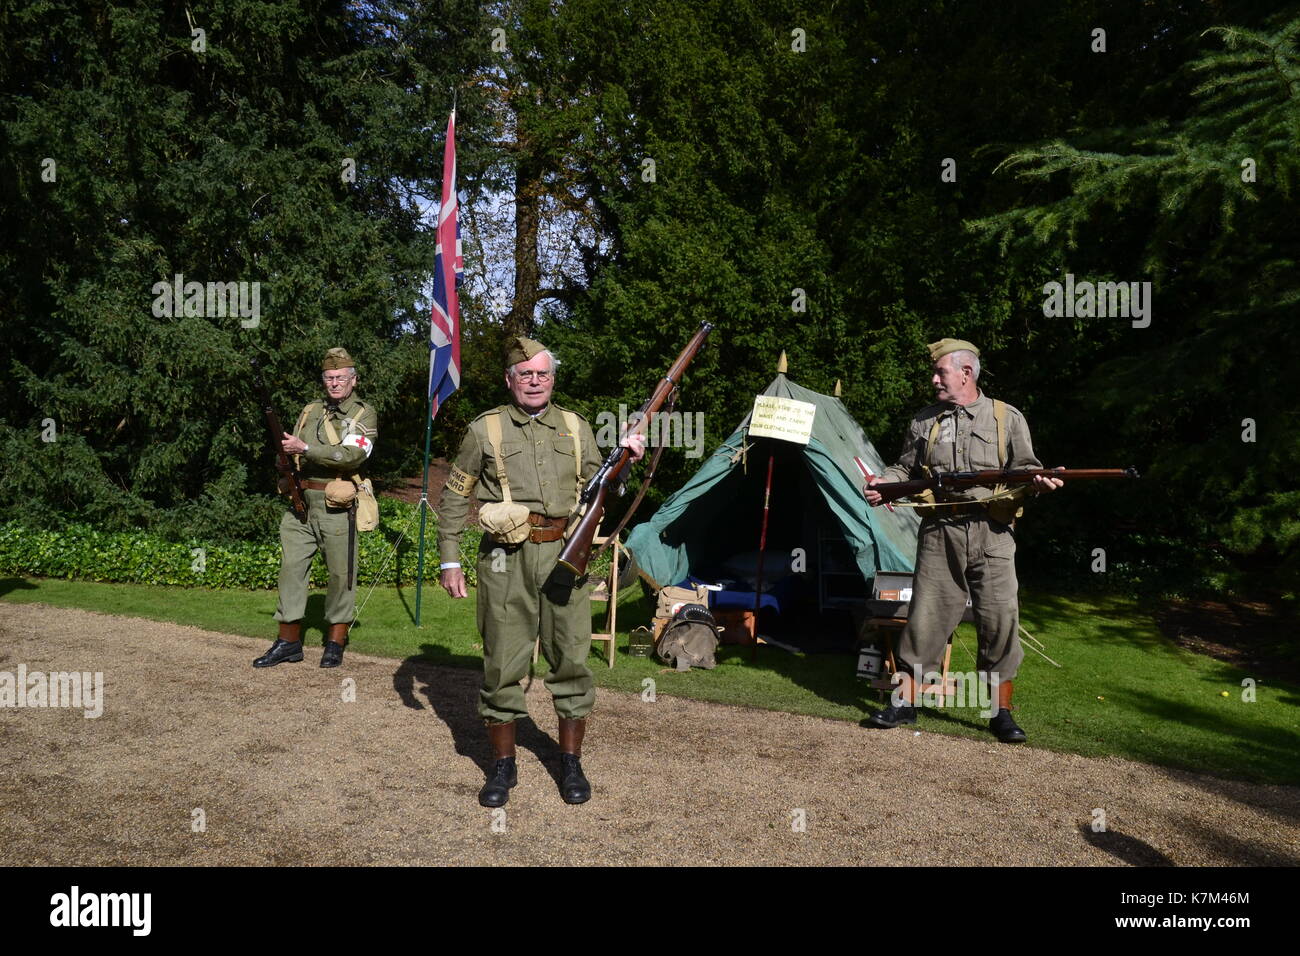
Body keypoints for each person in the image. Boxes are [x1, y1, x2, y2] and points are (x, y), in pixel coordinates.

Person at [438, 336, 642, 807]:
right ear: (510, 380)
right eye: (525, 374)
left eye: (542, 373)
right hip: (504, 559)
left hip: (565, 555)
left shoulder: (576, 426)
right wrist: (450, 557)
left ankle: (570, 763)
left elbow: (606, 484)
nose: (534, 381)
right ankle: (503, 766)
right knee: (502, 664)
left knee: (570, 660)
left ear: (553, 378)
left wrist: (629, 455)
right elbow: (455, 494)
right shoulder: (483, 430)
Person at [864, 338, 1062, 742]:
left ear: (966, 373)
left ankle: (1000, 713)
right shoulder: (925, 421)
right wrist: (886, 482)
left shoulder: (1006, 418)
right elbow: (906, 468)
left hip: (993, 533)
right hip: (940, 531)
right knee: (925, 618)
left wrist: (1038, 483)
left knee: (1000, 620)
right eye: (935, 372)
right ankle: (903, 704)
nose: (934, 379)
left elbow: (1025, 469)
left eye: (941, 372)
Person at [254, 348, 378, 669]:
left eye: (340, 378)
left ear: (354, 380)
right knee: (291, 570)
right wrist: (284, 461)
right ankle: (288, 641)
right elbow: (291, 449)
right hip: (301, 502)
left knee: (341, 574)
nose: (334, 383)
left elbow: (353, 455)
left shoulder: (364, 414)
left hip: (336, 504)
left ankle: (335, 641)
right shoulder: (310, 411)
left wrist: (306, 448)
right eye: (329, 378)